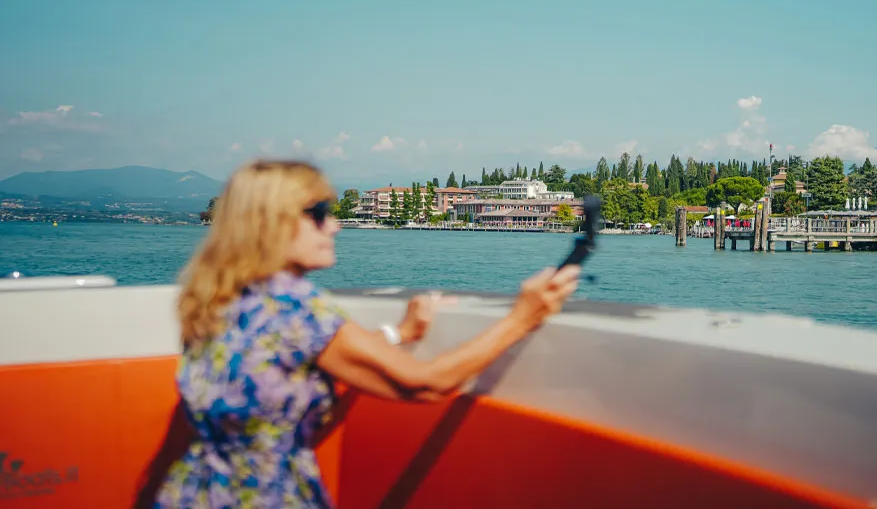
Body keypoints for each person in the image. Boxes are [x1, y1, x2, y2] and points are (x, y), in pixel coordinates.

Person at [154, 160, 580, 507]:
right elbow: (425, 385)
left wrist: (401, 332)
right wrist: (523, 317)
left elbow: (303, 361)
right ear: (272, 224)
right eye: (320, 214)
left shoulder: (214, 302)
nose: (335, 226)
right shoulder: (294, 308)